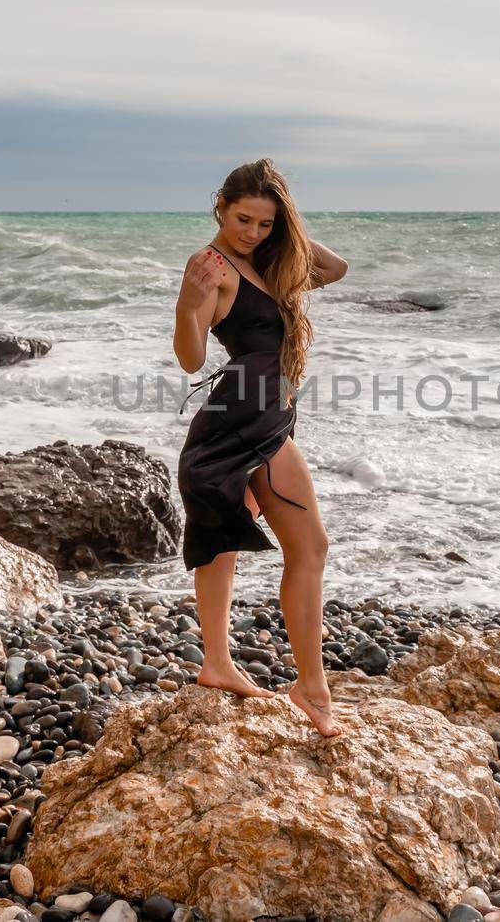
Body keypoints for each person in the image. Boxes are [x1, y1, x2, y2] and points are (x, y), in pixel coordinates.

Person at [173, 158, 349, 736]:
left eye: (264, 224)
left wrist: (285, 227)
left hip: (266, 415)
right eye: (242, 218)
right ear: (220, 205)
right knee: (311, 548)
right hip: (241, 422)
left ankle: (218, 664)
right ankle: (311, 687)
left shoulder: (271, 266)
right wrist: (185, 305)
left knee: (224, 541)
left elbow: (335, 268)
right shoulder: (211, 267)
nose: (251, 232)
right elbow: (192, 358)